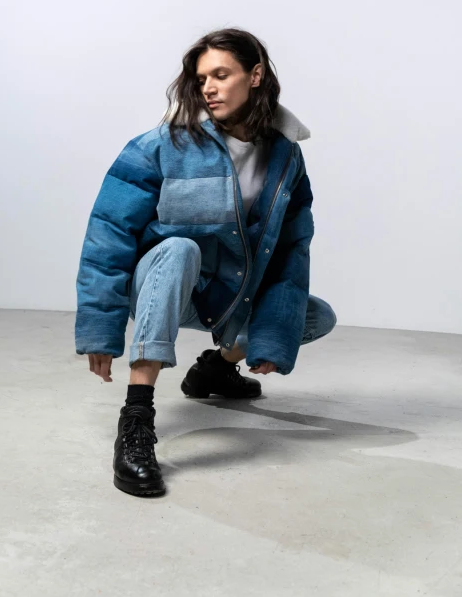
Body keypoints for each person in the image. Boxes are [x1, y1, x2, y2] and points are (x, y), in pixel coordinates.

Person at [75, 27, 337, 498]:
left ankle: (216, 368)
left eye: (221, 74)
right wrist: (102, 327)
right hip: (162, 286)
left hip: (230, 293)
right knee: (180, 248)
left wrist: (272, 337)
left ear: (255, 76)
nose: (208, 88)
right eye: (201, 79)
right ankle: (135, 422)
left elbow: (291, 249)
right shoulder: (163, 145)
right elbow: (108, 235)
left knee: (314, 315)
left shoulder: (285, 157)